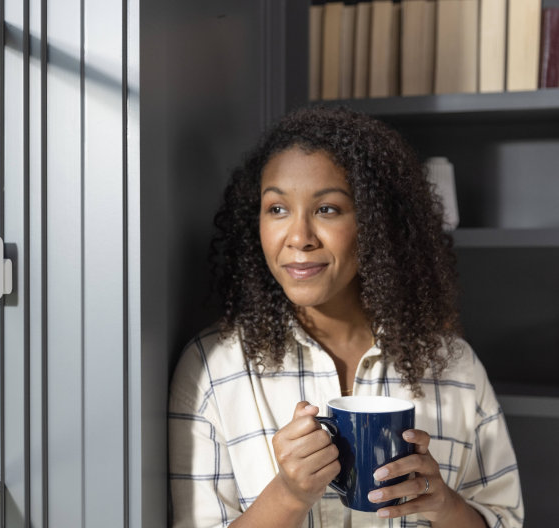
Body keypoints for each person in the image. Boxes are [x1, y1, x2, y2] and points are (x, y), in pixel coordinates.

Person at [168, 107, 523, 528]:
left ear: (375, 224)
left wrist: (443, 504)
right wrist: (288, 495)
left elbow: (505, 520)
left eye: (328, 209)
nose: (298, 237)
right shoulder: (213, 369)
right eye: (277, 209)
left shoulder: (455, 366)